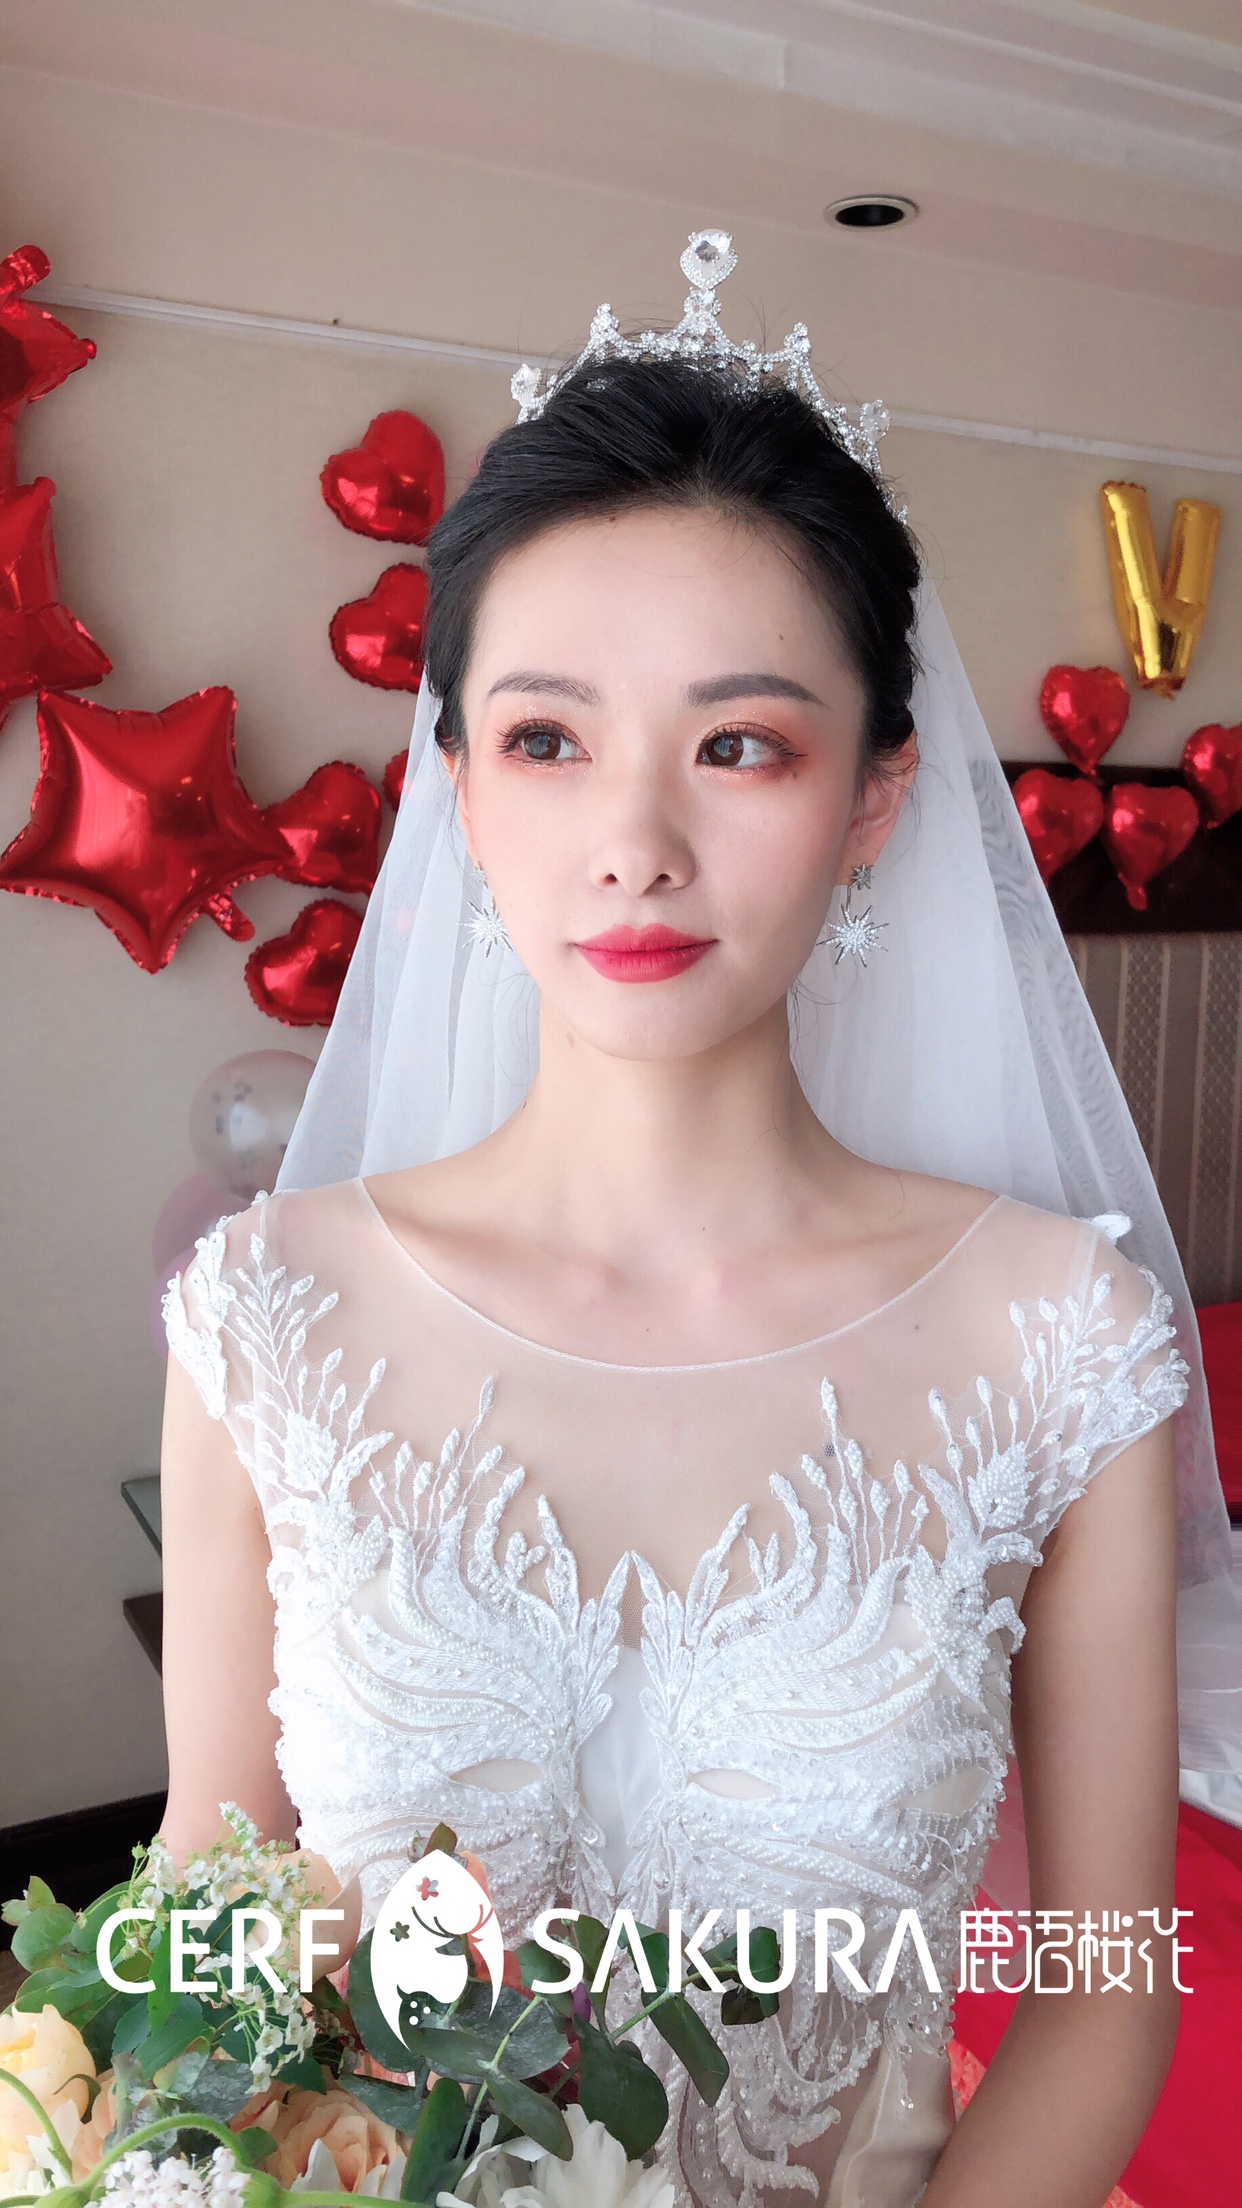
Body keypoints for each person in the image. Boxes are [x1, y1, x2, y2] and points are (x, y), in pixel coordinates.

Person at [158, 234, 1235, 2208]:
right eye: (548, 740)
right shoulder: (271, 1314)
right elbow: (216, 1896)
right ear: (459, 787)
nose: (635, 841)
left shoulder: (1059, 1338)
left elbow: (1103, 1980)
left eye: (740, 744)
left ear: (874, 798)